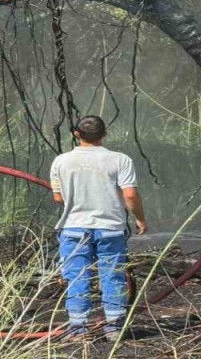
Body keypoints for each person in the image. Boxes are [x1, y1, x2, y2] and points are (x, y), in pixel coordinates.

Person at [49, 115, 148, 341]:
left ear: (76, 134)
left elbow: (57, 197)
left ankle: (78, 329)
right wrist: (140, 219)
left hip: (73, 229)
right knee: (112, 276)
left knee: (77, 277)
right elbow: (130, 195)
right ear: (105, 134)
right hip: (111, 228)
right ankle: (114, 328)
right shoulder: (120, 160)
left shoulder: (61, 161)